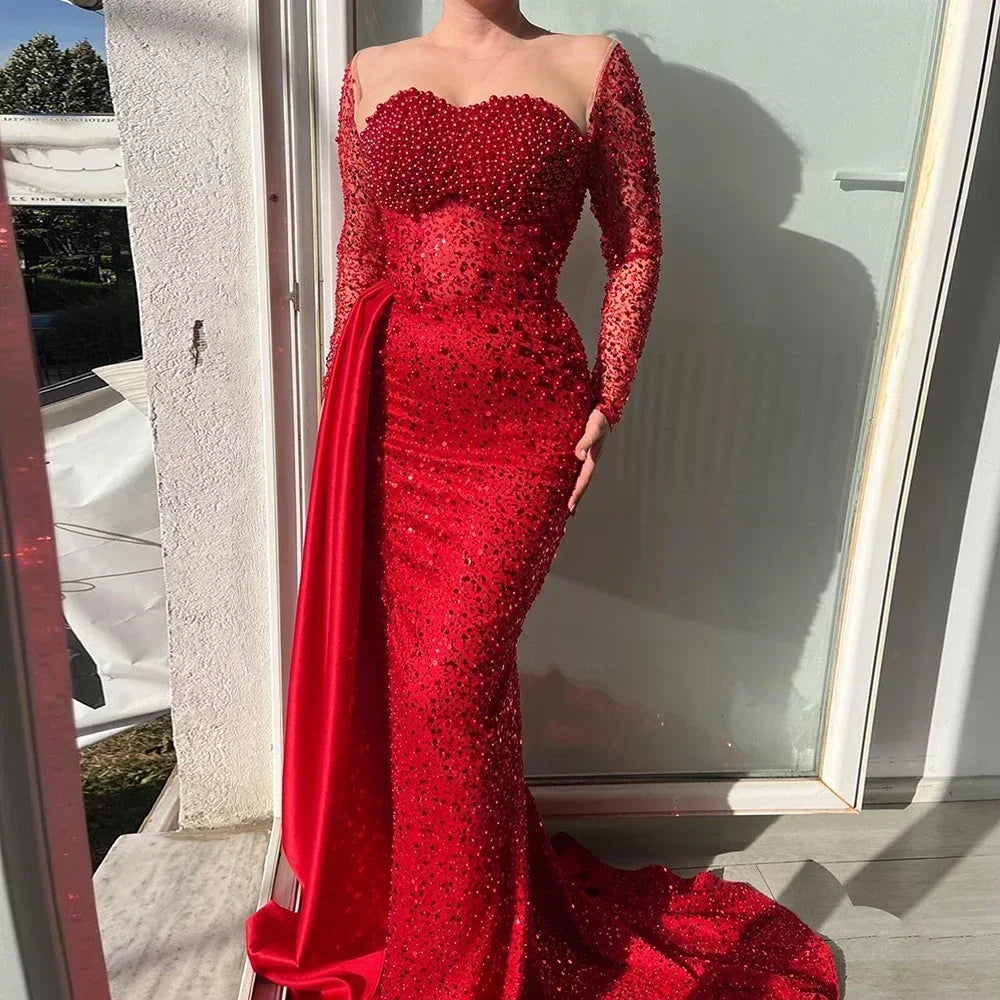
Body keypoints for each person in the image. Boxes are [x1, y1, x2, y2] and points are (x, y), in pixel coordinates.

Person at [246, 3, 841, 998]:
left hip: (523, 417)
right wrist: (338, 403)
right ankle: (452, 906)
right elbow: (361, 249)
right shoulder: (370, 71)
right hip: (392, 422)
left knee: (450, 685)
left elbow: (635, 242)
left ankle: (458, 967)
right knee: (428, 695)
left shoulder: (591, 66)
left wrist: (610, 395)